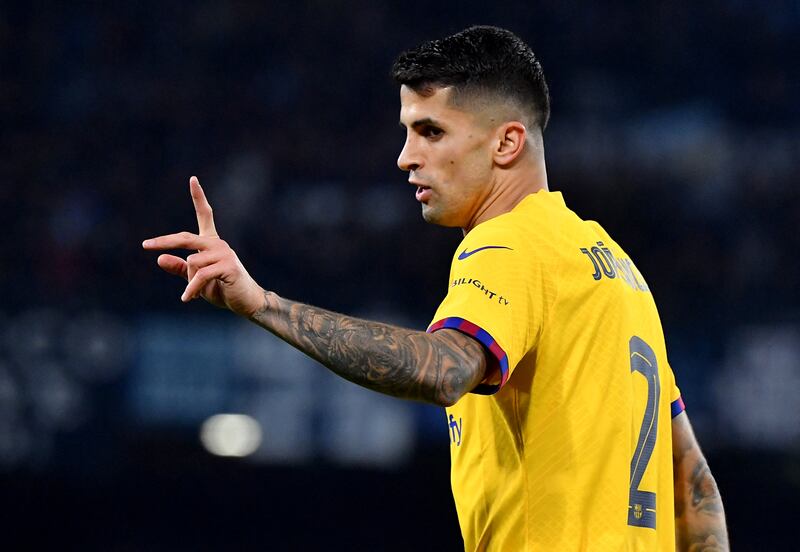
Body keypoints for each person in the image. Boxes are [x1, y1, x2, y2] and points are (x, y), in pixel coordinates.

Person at [143, 25, 729, 551]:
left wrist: (262, 303)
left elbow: (444, 370)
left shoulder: (509, 245)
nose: (405, 158)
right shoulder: (613, 265)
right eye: (407, 132)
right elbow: (692, 477)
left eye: (431, 132)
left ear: (506, 143)